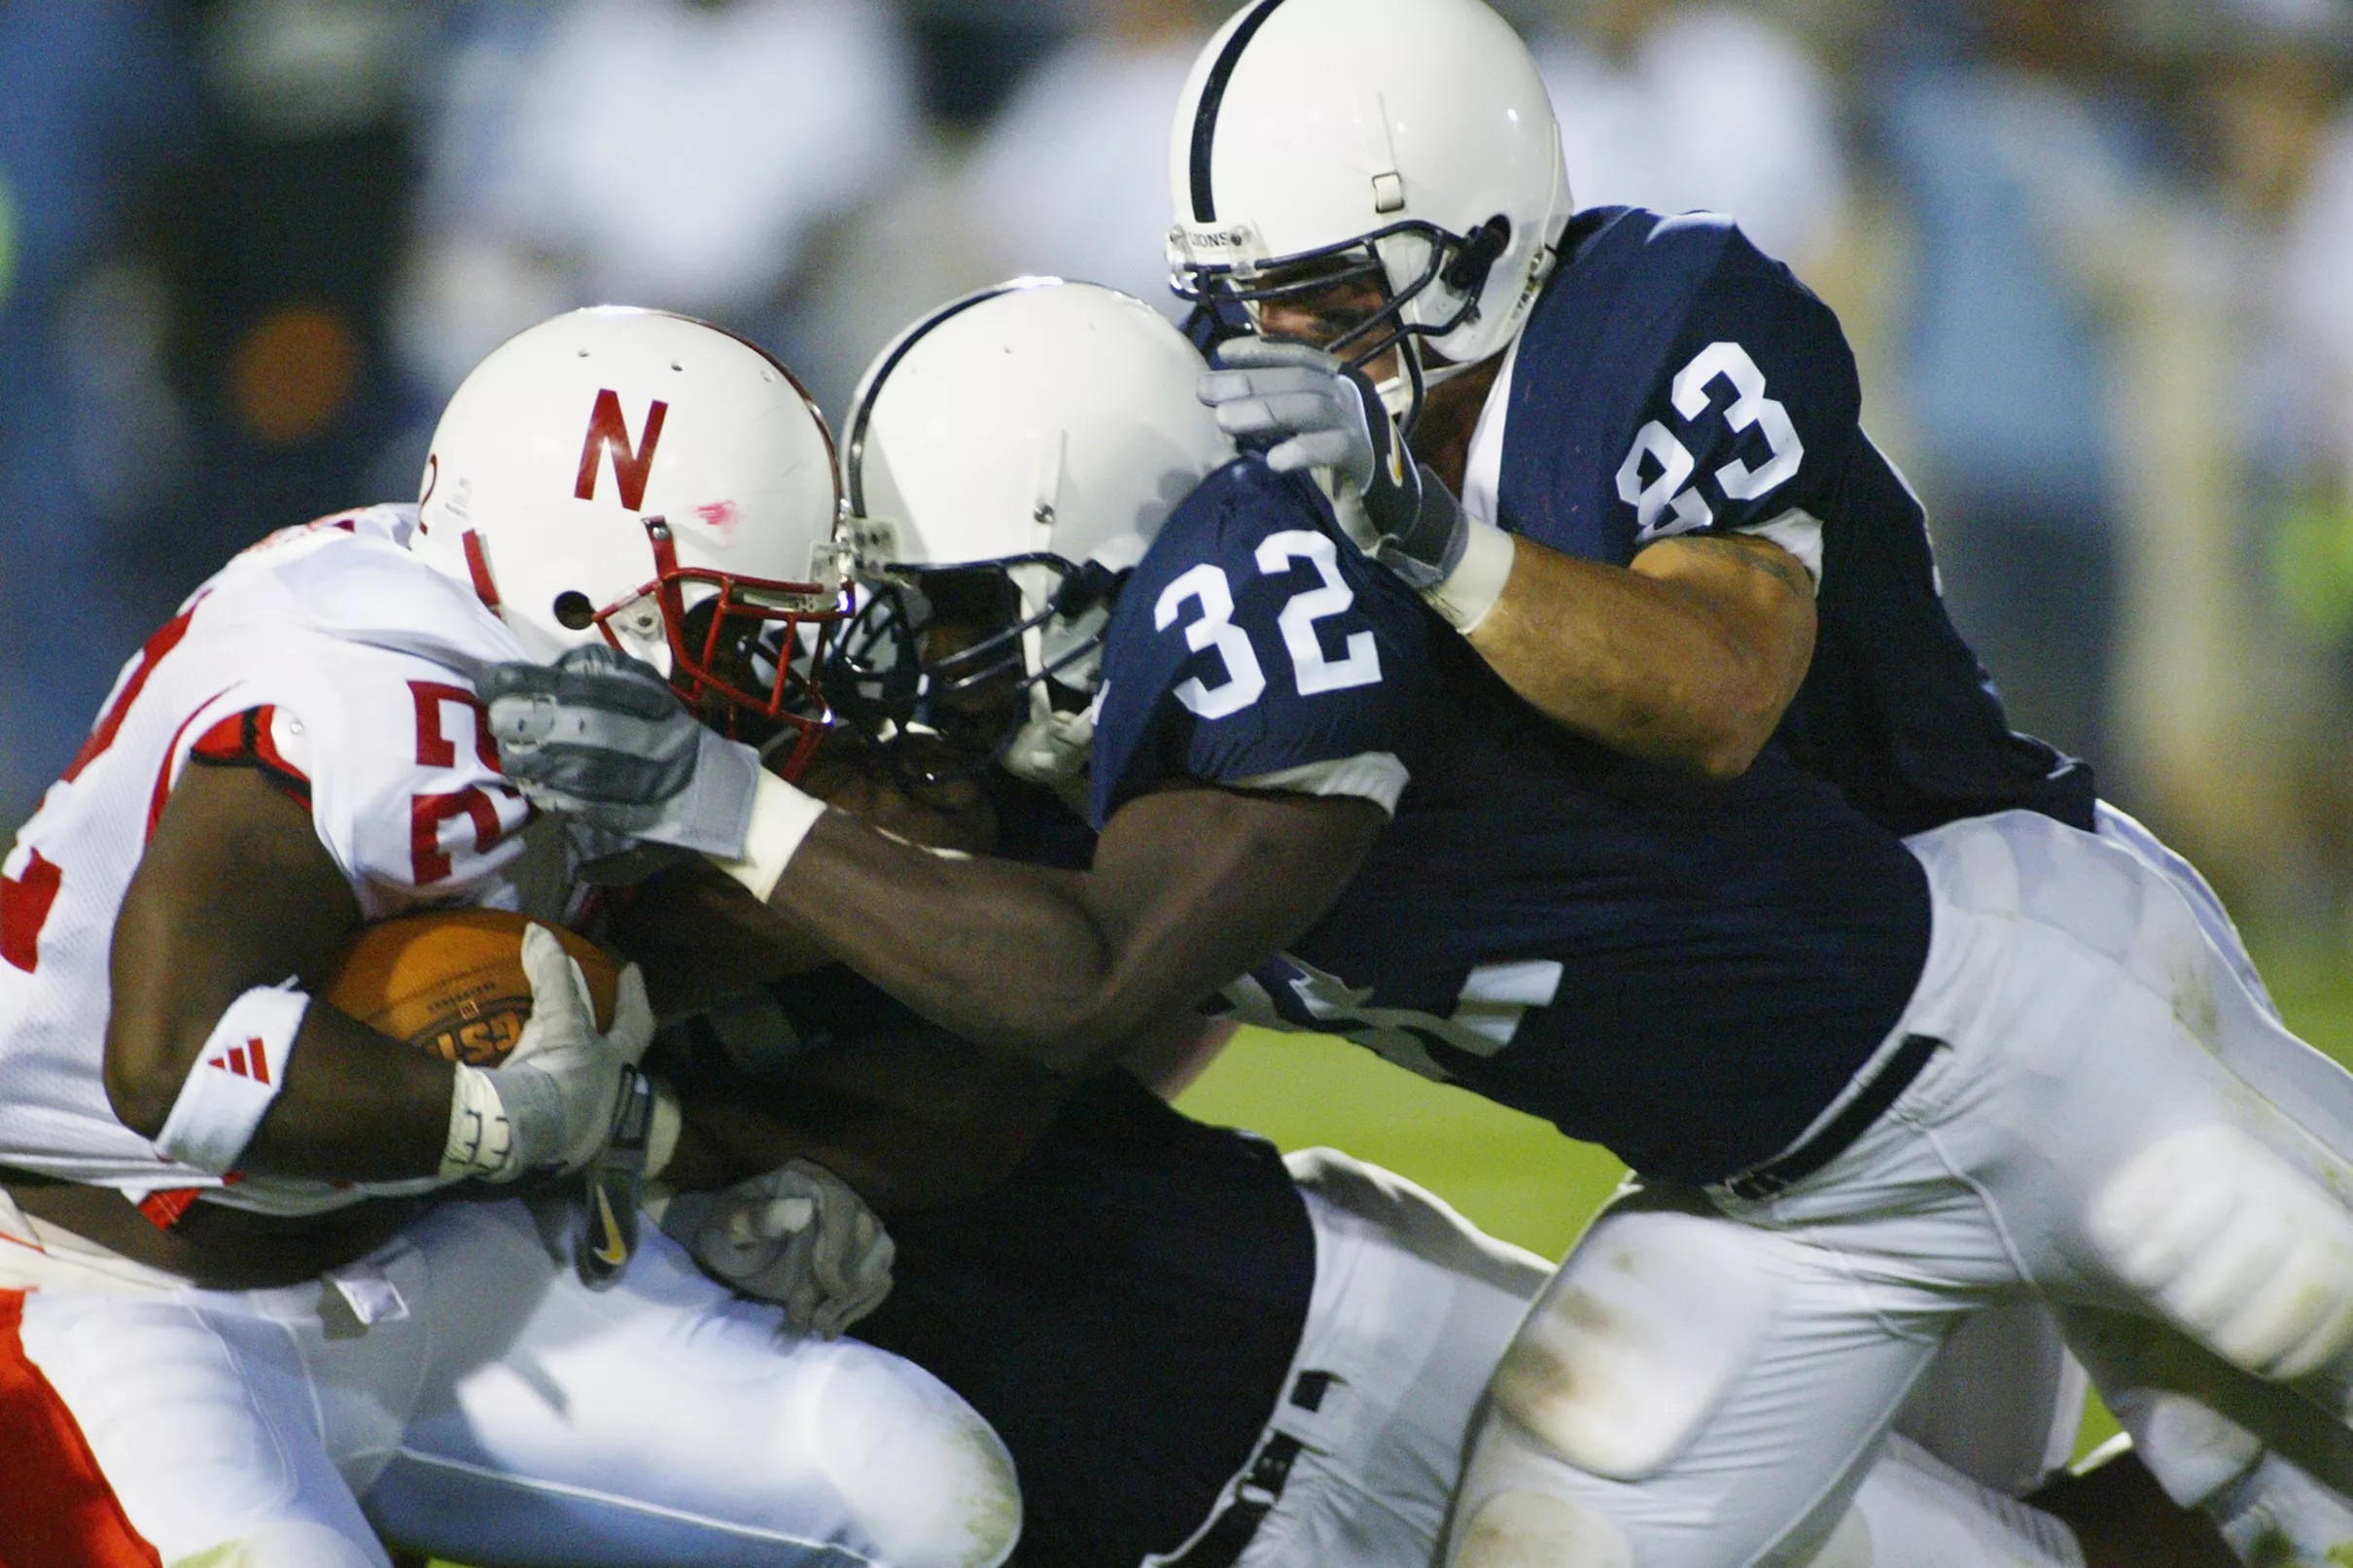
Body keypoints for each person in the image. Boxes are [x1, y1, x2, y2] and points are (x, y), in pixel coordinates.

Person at [489, 278, 2340, 1566]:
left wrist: (729, 813)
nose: (936, 665)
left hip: (2010, 1031)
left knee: (2304, 1403)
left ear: (1101, 556)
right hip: (1776, 1192)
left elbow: (1089, 984)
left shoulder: (1265, 616)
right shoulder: (1109, 730)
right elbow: (1081, 1029)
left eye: (968, 606)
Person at [1166, 0, 2353, 1559]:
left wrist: (1433, 536)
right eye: (1233, 298)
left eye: (1317, 296)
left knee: (2300, 1426)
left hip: (2009, 973)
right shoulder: (1261, 496)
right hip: (1770, 1142)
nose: (1272, 348)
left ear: (1474, 237)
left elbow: (1718, 689)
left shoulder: (1656, 321)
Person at [0, 305, 1017, 1568]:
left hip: (419, 1241)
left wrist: (683, 1171)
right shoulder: (361, 706)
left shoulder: (544, 669)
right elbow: (178, 1065)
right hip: (114, 1299)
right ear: (595, 597)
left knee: (923, 1491)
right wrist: (504, 1120)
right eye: (749, 628)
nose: (784, 674)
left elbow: (558, 993)